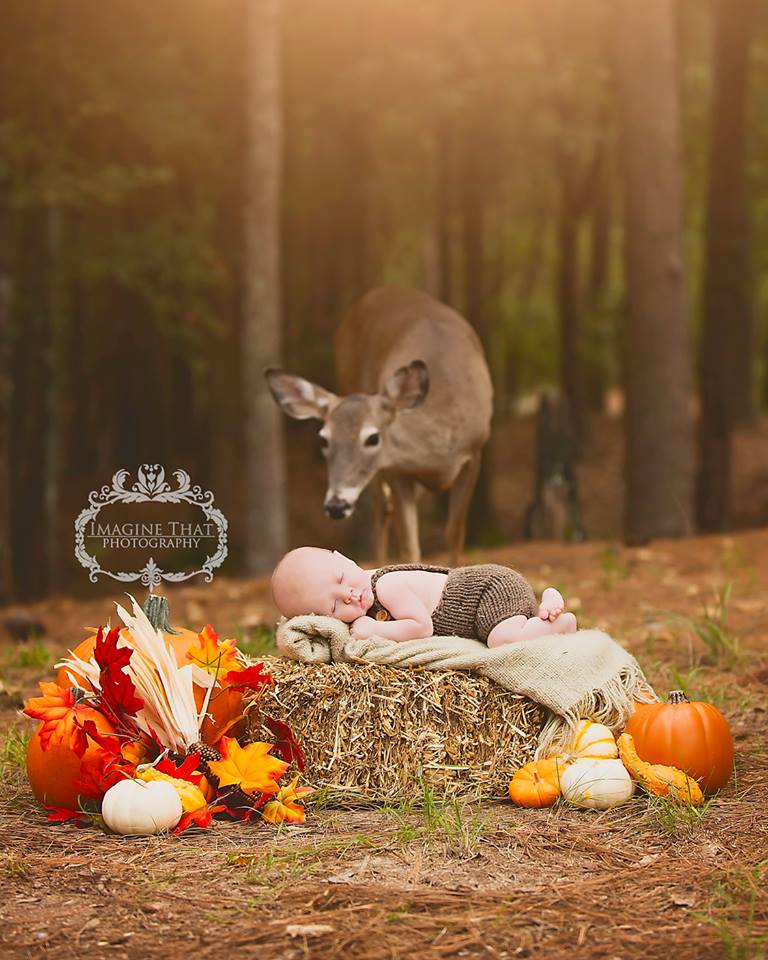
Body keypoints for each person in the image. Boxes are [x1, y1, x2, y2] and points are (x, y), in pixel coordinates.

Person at [271, 547, 577, 648]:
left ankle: (558, 623)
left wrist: (376, 630)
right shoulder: (364, 593)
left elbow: (421, 627)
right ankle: (541, 610)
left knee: (502, 639)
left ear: (345, 558)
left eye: (341, 580)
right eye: (335, 605)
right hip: (482, 603)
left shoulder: (385, 586)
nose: (349, 596)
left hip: (488, 591)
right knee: (507, 629)